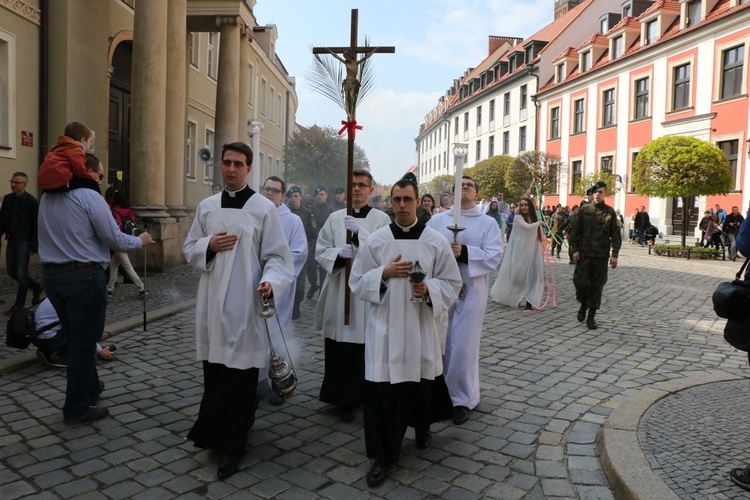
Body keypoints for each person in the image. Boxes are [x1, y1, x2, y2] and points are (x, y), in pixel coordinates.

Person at [183, 142, 293, 480]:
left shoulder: (263, 208)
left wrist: (271, 281)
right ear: (221, 165)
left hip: (246, 306)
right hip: (213, 305)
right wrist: (208, 246)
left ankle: (234, 446)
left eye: (238, 164)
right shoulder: (207, 207)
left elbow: (277, 256)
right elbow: (189, 249)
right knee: (215, 375)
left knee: (242, 378)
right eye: (227, 162)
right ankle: (215, 434)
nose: (231, 168)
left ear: (248, 169)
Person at [350, 178, 462, 487]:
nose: (401, 205)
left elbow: (452, 283)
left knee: (420, 385)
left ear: (417, 202)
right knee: (384, 393)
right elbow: (357, 281)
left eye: (407, 199)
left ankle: (422, 427)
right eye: (396, 199)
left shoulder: (435, 241)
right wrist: (383, 274)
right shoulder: (376, 241)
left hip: (419, 327)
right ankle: (383, 456)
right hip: (384, 329)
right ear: (391, 202)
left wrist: (428, 288)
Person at [38, 153, 154, 424]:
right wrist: (140, 240)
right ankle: (76, 407)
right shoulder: (90, 197)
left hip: (54, 278)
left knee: (78, 337)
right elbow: (112, 237)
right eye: (100, 175)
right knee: (83, 344)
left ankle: (91, 388)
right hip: (83, 277)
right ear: (88, 172)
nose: (101, 180)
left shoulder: (47, 198)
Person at [427, 176, 503, 425]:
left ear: (477, 192)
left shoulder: (487, 223)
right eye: (461, 184)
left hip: (471, 289)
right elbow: (425, 250)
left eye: (470, 184)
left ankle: (461, 399)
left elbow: (494, 255)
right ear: (452, 193)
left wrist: (466, 253)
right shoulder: (438, 220)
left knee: (463, 345)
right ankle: (436, 393)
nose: (465, 186)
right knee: (439, 340)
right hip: (440, 286)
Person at [315, 170, 391, 422]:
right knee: (339, 341)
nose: (356, 189)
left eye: (362, 185)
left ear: (371, 190)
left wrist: (359, 233)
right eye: (353, 185)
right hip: (340, 288)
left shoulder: (381, 219)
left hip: (365, 292)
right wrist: (338, 255)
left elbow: (386, 252)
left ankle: (361, 395)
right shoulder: (335, 217)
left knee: (363, 343)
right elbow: (321, 248)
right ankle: (339, 395)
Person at [569, 181, 621, 330]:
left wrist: (614, 255)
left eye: (601, 192)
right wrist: (576, 250)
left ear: (605, 194)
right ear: (592, 194)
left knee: (597, 286)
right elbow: (575, 232)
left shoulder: (610, 212)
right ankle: (583, 303)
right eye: (596, 192)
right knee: (580, 282)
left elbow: (616, 236)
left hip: (601, 256)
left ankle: (591, 315)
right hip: (585, 255)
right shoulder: (584, 210)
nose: (598, 194)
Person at [261, 176, 307, 326]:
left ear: (282, 196)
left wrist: (275, 271)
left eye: (275, 190)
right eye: (267, 189)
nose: (270, 193)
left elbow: (299, 252)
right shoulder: (253, 215)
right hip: (253, 276)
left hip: (279, 279)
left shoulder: (293, 220)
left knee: (275, 323)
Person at [0, 172, 45, 316]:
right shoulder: (7, 199)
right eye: (12, 181)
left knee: (21, 272)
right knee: (11, 271)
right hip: (12, 238)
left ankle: (18, 305)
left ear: (25, 184)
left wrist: (33, 246)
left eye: (17, 182)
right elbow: (2, 220)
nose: (13, 184)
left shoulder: (31, 201)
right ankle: (37, 287)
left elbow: (36, 225)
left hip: (25, 240)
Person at [490, 197, 545, 311]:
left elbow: (535, 234)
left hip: (531, 251)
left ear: (530, 206)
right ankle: (515, 297)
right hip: (520, 251)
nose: (524, 207)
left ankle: (529, 302)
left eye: (526, 205)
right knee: (518, 276)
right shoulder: (518, 218)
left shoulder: (532, 218)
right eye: (522, 205)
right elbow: (527, 227)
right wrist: (539, 223)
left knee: (532, 276)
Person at [34, 297, 116, 367]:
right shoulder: (73, 299)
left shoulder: (59, 292)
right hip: (50, 338)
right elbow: (80, 328)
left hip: (39, 337)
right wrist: (100, 351)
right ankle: (61, 356)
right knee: (78, 334)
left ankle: (46, 351)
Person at [104, 189, 145, 299]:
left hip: (119, 242)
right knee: (113, 266)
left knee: (128, 268)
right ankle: (109, 289)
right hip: (129, 239)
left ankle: (141, 288)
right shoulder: (128, 211)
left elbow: (113, 228)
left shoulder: (114, 212)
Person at [286, 186, 316, 319]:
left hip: (302, 253)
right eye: (291, 196)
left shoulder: (307, 213)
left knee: (299, 281)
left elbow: (313, 234)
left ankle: (296, 306)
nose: (293, 199)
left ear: (300, 197)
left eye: (296, 196)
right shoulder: (284, 212)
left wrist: (307, 249)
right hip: (285, 252)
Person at [307, 186, 334, 298]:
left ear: (326, 196)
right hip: (313, 243)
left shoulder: (331, 211)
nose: (319, 196)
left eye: (322, 194)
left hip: (326, 243)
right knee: (311, 267)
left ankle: (321, 293)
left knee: (324, 270)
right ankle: (313, 285)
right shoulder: (310, 210)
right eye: (318, 194)